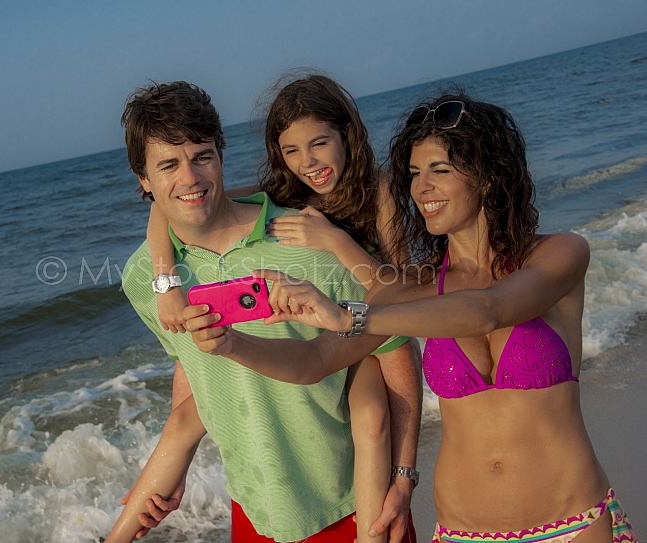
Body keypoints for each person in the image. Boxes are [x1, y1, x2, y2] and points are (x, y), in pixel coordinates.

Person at [184, 92, 638, 543]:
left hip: (574, 523)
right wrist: (232, 345)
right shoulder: (416, 287)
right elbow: (315, 359)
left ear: (489, 176)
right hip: (463, 531)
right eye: (415, 174)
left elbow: (488, 309)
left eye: (439, 170)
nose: (422, 188)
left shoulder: (559, 254)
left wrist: (347, 316)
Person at [106, 80, 423, 543]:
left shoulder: (313, 242)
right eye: (168, 165)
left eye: (202, 157)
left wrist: (403, 476)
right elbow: (189, 364)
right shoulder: (145, 279)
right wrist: (177, 462)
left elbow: (397, 340)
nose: (190, 177)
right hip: (255, 508)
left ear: (221, 154)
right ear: (143, 178)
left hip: (350, 502)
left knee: (369, 408)